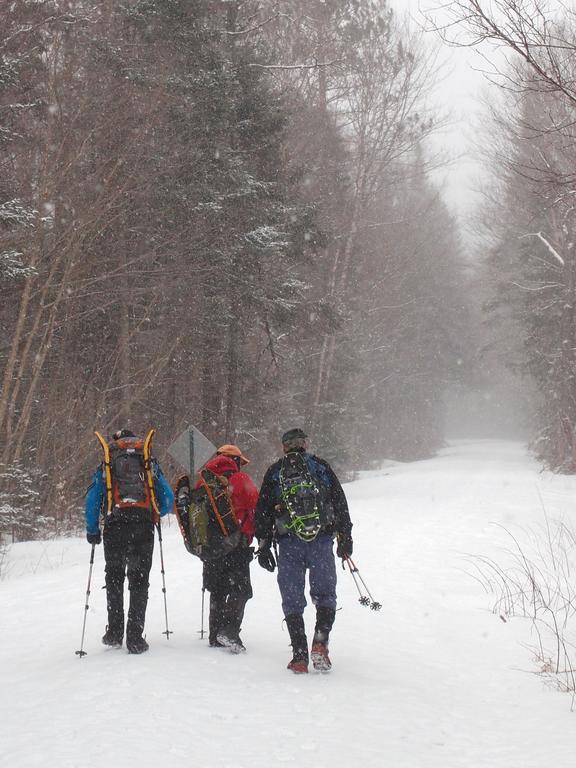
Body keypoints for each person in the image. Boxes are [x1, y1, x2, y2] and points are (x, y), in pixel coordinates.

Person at [255, 428, 353, 673]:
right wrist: (345, 537)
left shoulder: (275, 472)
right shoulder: (320, 467)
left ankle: (299, 655)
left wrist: (264, 545)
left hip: (289, 544)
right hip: (320, 541)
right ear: (305, 444)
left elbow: (263, 512)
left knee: (292, 600)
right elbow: (340, 503)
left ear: (284, 447)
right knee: (325, 595)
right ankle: (320, 644)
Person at [84, 429, 174, 654]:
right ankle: (135, 638)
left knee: (114, 577)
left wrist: (93, 529)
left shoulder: (109, 462)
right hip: (143, 526)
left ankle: (114, 633)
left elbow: (93, 498)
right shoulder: (147, 461)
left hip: (115, 525)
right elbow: (167, 499)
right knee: (139, 581)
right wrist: (156, 513)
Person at [196, 444, 259, 653]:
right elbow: (256, 506)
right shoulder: (240, 479)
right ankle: (229, 631)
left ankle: (215, 635)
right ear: (236, 460)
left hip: (211, 546)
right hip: (236, 545)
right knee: (241, 590)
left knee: (217, 588)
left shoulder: (202, 479)